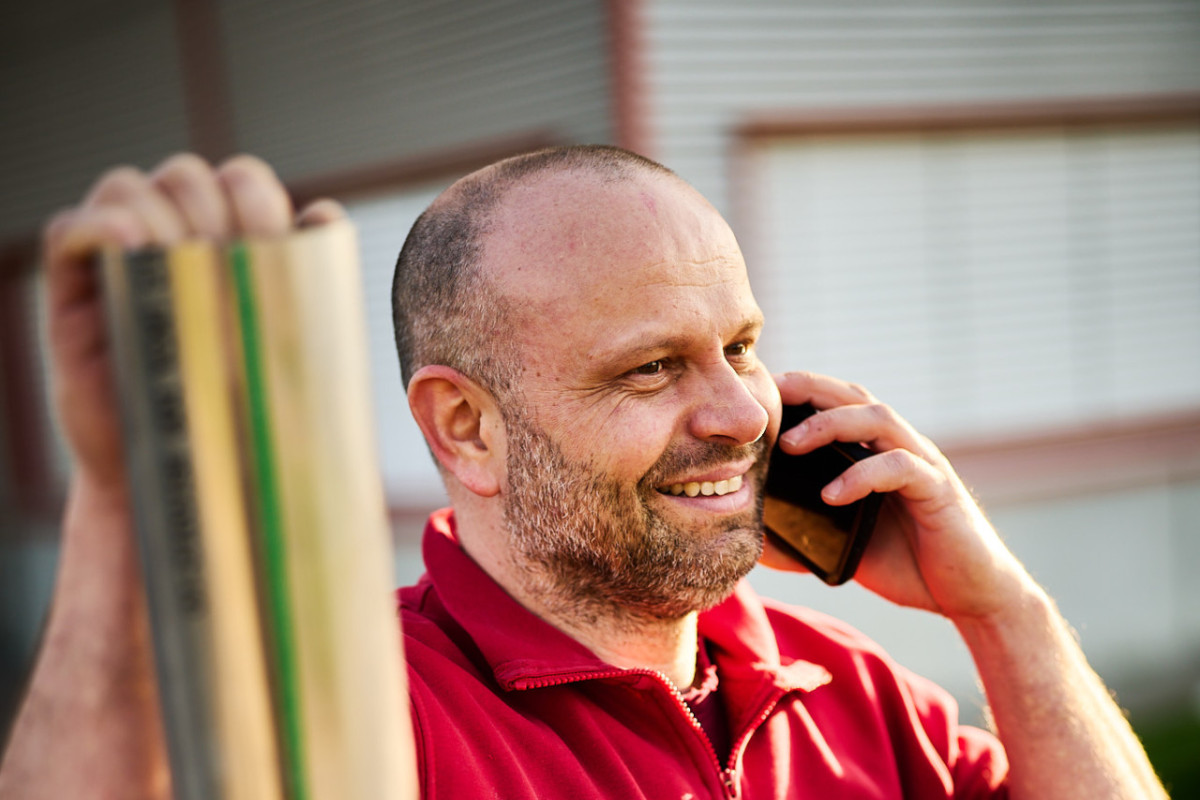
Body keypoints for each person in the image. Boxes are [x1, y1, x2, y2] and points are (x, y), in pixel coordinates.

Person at [0, 147, 1166, 799]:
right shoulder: (364, 713)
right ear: (466, 429)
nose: (736, 411)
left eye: (742, 347)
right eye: (652, 368)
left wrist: (1002, 608)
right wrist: (121, 489)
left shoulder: (847, 690)